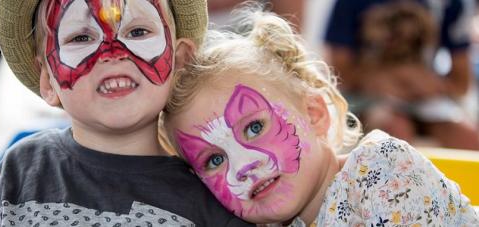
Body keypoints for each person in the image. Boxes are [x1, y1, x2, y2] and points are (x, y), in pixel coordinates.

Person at [160, 8, 479, 226]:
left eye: (255, 127)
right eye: (214, 160)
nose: (242, 167)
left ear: (314, 114)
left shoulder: (379, 169)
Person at [0, 0, 253, 226]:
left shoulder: (212, 195)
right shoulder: (21, 168)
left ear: (180, 61)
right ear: (48, 81)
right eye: (81, 37)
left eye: (137, 32)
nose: (112, 53)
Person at [325, 0, 479, 150]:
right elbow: (339, 74)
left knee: (469, 139)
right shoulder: (349, 3)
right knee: (396, 130)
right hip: (366, 98)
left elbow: (461, 84)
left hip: (426, 101)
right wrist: (383, 81)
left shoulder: (451, 4)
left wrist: (431, 84)